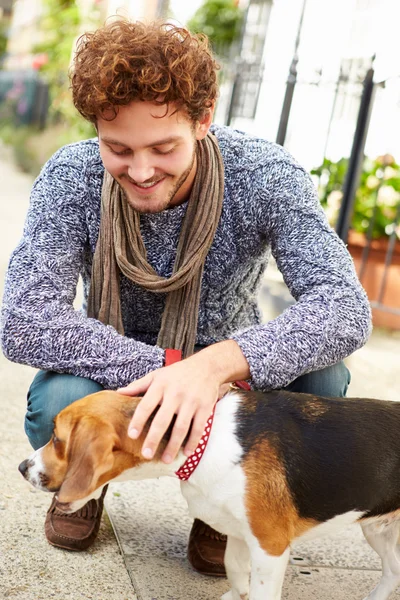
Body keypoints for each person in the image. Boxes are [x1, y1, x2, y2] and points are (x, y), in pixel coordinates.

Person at [1, 19, 371, 574]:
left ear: (204, 119)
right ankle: (86, 477)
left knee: (324, 381)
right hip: (115, 365)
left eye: (163, 147)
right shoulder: (72, 177)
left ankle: (232, 493)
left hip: (232, 377)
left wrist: (216, 369)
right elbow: (24, 318)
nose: (142, 171)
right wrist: (171, 373)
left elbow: (344, 307)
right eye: (118, 148)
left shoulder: (266, 175)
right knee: (59, 402)